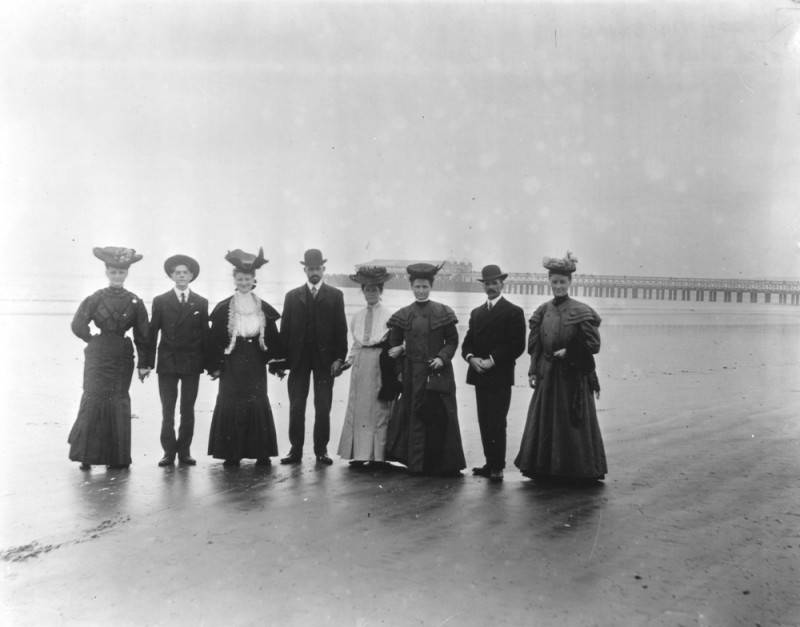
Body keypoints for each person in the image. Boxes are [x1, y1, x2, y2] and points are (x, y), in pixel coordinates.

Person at [514, 251, 607, 483]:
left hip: (572, 377)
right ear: (549, 282)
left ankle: (575, 471)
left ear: (570, 282)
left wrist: (570, 351)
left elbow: (594, 345)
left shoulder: (581, 311)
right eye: (554, 282)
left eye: (562, 282)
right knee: (546, 421)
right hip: (547, 375)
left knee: (570, 422)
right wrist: (533, 370)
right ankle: (544, 469)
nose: (558, 286)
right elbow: (535, 346)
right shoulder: (542, 311)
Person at [68, 247, 150, 470]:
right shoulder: (95, 298)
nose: (117, 276)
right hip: (98, 355)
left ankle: (117, 458)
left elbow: (143, 334)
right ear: (106, 272)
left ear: (127, 273)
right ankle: (86, 456)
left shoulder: (135, 301)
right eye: (113, 272)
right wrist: (92, 340)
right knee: (93, 398)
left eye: (121, 272)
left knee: (118, 400)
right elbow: (77, 324)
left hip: (122, 357)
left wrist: (144, 364)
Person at [385, 263, 466, 476]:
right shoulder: (404, 314)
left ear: (431, 286)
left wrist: (442, 357)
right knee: (414, 415)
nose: (421, 291)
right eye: (417, 287)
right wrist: (400, 369)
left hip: (437, 374)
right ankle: (416, 464)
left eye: (425, 287)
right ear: (411, 287)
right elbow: (393, 344)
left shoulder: (443, 312)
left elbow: (452, 341)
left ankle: (442, 465)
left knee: (441, 415)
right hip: (412, 374)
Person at [206, 248, 282, 467]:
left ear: (253, 280)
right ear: (235, 280)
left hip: (255, 359)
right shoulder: (224, 307)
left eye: (247, 279)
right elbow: (214, 338)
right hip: (232, 359)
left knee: (257, 401)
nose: (244, 282)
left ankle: (261, 452)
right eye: (240, 279)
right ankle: (232, 453)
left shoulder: (262, 307)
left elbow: (273, 337)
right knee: (230, 402)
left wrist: (276, 363)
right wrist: (215, 366)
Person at [277, 249, 348, 466]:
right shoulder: (292, 296)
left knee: (323, 407)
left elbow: (341, 330)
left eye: (317, 268)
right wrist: (281, 361)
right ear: (305, 270)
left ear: (323, 269)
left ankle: (321, 450)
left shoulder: (335, 295)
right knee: (296, 406)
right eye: (310, 268)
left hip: (325, 361)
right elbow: (285, 331)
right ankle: (295, 450)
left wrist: (339, 358)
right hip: (298, 360)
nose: (314, 272)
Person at [461, 264, 526, 482]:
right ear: (483, 286)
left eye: (494, 283)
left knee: (497, 421)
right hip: (479, 373)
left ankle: (498, 466)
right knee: (484, 420)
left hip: (500, 375)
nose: (490, 287)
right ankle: (490, 464)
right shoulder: (476, 313)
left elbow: (517, 345)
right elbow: (467, 343)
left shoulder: (514, 312)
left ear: (502, 284)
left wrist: (492, 360)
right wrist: (471, 358)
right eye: (487, 283)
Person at [146, 254, 208, 467]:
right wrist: (146, 363)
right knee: (168, 409)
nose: (181, 276)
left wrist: (210, 365)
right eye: (177, 273)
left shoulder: (201, 302)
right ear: (171, 276)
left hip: (191, 362)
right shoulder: (161, 301)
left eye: (185, 273)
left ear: (191, 276)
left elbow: (205, 335)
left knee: (187, 409)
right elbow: (152, 333)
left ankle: (184, 451)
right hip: (167, 362)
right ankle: (168, 452)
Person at [336, 266, 398, 467]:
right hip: (361, 363)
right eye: (367, 289)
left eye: (375, 289)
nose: (371, 293)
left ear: (381, 291)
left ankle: (378, 457)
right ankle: (360, 455)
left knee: (378, 409)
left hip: (379, 362)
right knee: (359, 408)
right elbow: (356, 343)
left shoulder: (389, 316)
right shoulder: (357, 316)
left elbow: (394, 342)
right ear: (362, 291)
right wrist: (348, 361)